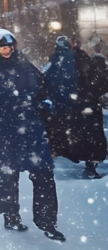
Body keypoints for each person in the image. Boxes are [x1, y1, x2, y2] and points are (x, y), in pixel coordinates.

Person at [0, 28, 64, 241]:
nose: (7, 51)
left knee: (43, 173)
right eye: (2, 47)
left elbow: (43, 89)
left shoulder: (25, 66)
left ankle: (47, 221)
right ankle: (11, 215)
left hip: (30, 129)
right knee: (8, 174)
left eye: (10, 46)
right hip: (2, 132)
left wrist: (44, 105)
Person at [45, 35, 108, 179]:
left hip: (65, 107)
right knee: (91, 138)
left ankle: (58, 160)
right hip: (86, 106)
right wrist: (92, 96)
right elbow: (98, 80)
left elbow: (47, 84)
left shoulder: (54, 62)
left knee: (67, 136)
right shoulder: (81, 59)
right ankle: (91, 166)